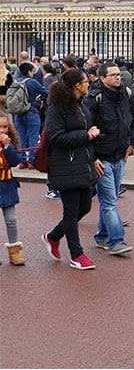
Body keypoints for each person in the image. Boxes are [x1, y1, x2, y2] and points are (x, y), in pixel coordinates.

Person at [41, 68, 101, 270]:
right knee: (71, 211)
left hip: (83, 164)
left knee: (85, 207)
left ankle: (53, 236)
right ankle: (77, 254)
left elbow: (86, 134)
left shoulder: (81, 105)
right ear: (77, 85)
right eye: (86, 81)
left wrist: (93, 159)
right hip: (65, 166)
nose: (88, 84)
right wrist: (87, 135)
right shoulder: (57, 108)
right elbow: (55, 137)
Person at [83, 63, 134, 256]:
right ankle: (116, 240)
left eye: (119, 75)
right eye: (114, 75)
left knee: (110, 198)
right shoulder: (94, 99)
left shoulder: (127, 94)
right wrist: (93, 158)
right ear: (102, 78)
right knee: (109, 200)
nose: (118, 78)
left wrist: (132, 142)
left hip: (120, 155)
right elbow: (86, 129)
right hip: (102, 157)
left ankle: (101, 236)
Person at [0, 112, 26, 265]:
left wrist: (7, 146)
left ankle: (14, 252)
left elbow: (16, 161)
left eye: (5, 127)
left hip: (7, 184)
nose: (3, 131)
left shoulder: (9, 144)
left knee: (11, 219)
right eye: (0, 127)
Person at [12, 62, 47, 168]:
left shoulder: (15, 82)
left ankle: (22, 160)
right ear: (29, 71)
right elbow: (45, 92)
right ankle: (32, 160)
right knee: (33, 137)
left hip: (18, 113)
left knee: (21, 137)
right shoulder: (32, 82)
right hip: (31, 112)